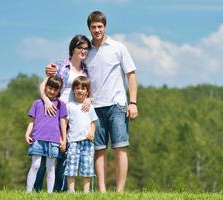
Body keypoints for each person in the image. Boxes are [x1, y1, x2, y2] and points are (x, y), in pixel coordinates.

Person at [85, 11, 138, 192]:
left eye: (100, 26)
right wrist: (52, 69)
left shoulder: (118, 47)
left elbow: (130, 75)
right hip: (94, 108)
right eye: (94, 27)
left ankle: (120, 191)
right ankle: (102, 191)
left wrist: (133, 102)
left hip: (117, 105)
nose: (97, 30)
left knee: (120, 148)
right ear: (89, 28)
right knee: (99, 150)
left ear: (105, 26)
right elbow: (71, 65)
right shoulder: (86, 51)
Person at [34, 34, 92, 192]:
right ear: (73, 48)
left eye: (86, 48)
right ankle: (36, 189)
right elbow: (44, 86)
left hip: (72, 117)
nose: (83, 51)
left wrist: (89, 99)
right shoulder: (60, 66)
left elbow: (87, 91)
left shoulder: (86, 70)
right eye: (80, 47)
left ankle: (59, 190)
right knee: (46, 153)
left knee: (66, 154)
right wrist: (46, 101)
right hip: (53, 113)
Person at [25, 75, 67, 193]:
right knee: (35, 165)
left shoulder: (61, 105)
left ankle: (49, 193)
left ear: (59, 90)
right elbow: (32, 122)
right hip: (38, 139)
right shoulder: (37, 103)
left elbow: (63, 123)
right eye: (50, 88)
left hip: (53, 141)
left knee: (51, 167)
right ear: (45, 87)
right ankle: (28, 192)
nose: (52, 91)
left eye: (55, 89)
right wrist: (27, 134)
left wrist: (64, 140)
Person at [64, 76, 98, 193]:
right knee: (71, 165)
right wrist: (63, 138)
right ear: (73, 89)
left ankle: (86, 191)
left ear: (87, 91)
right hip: (73, 140)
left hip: (87, 141)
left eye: (83, 88)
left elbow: (93, 122)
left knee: (87, 166)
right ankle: (71, 190)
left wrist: (92, 132)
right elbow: (65, 123)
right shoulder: (69, 105)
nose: (80, 90)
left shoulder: (89, 107)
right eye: (77, 88)